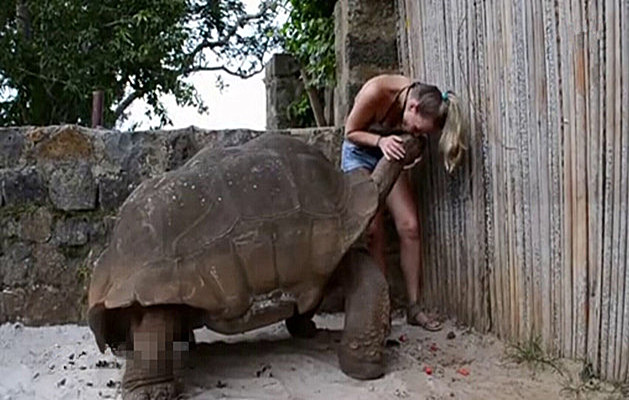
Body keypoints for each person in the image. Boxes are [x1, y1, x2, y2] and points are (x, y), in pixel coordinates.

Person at [340, 74, 466, 331]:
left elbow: (413, 139)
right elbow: (349, 132)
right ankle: (380, 310)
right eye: (417, 129)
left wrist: (413, 147)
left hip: (391, 154)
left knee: (409, 226)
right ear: (413, 107)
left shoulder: (422, 100)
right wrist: (381, 141)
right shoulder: (377, 92)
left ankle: (414, 306)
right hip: (359, 153)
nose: (416, 133)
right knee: (374, 231)